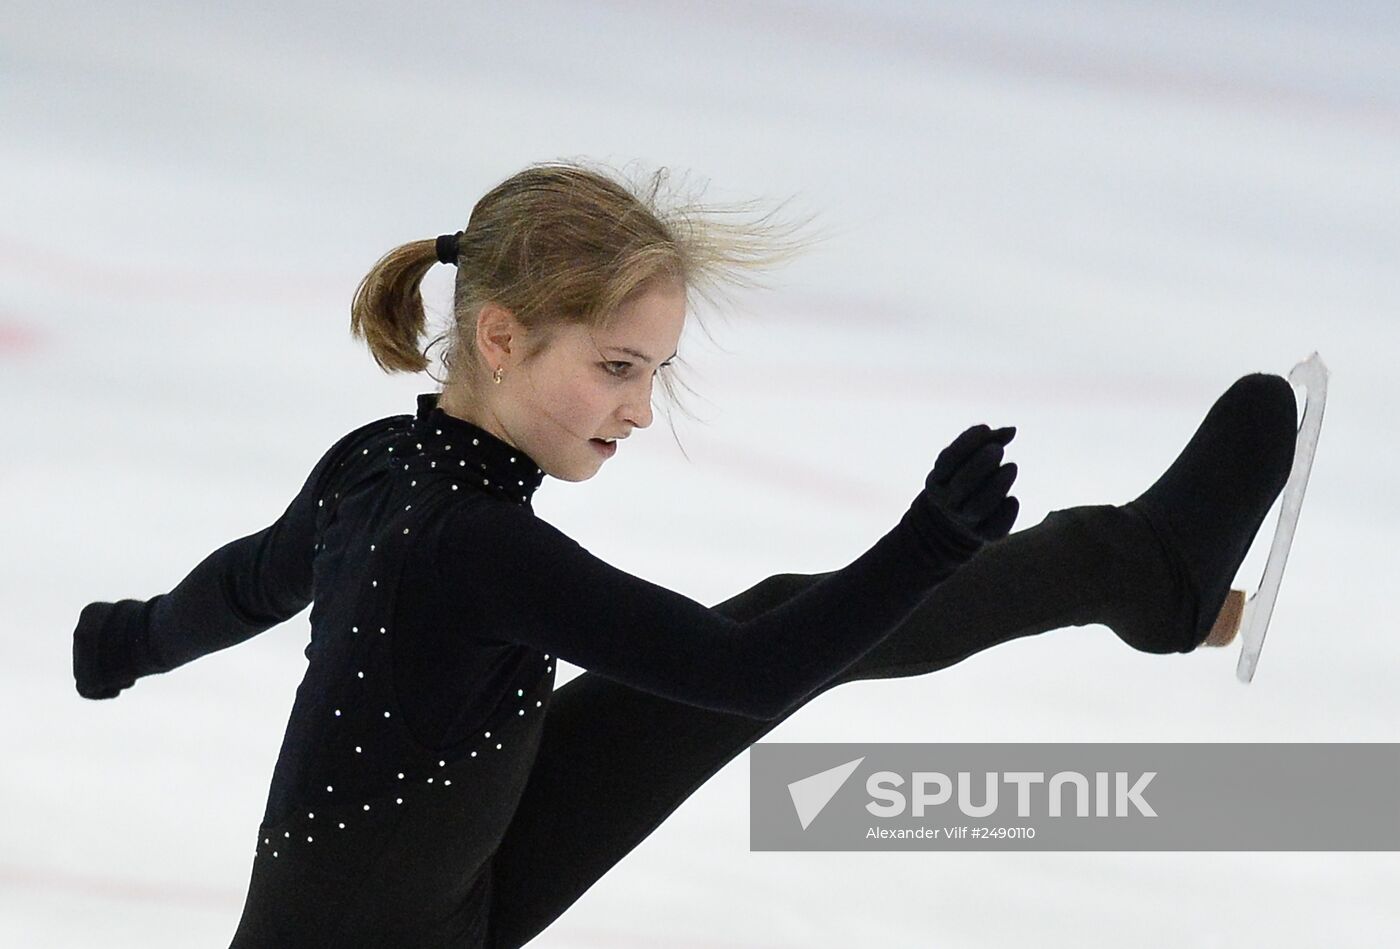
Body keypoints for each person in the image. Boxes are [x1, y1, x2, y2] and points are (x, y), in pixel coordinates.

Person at [71, 160, 1298, 947]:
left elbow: (238, 584)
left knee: (770, 613)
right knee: (761, 643)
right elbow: (743, 674)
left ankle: (1144, 572)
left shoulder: (376, 469)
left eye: (653, 372)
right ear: (499, 338)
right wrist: (921, 543)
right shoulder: (472, 547)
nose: (639, 411)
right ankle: (1139, 574)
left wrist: (127, 639)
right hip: (412, 926)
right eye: (615, 368)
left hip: (445, 854)